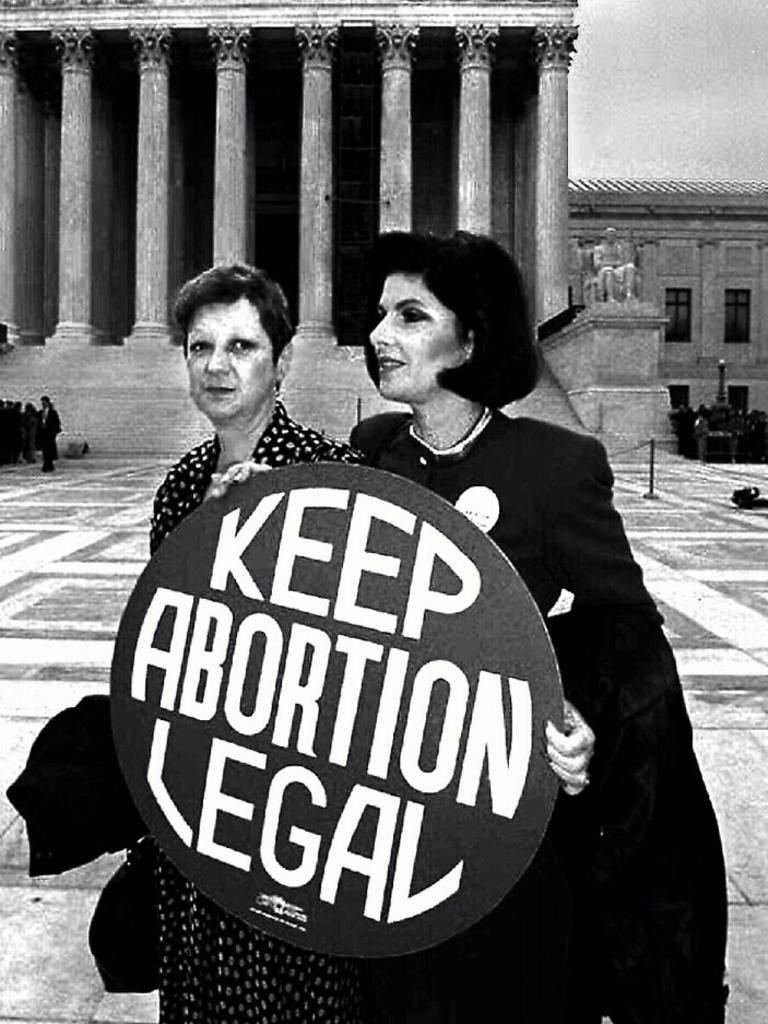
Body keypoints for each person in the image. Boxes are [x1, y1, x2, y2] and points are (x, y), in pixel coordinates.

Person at [351, 231, 727, 1024]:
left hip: (507, 829)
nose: (379, 335)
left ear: (473, 337)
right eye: (381, 313)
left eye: (411, 316)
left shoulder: (555, 465)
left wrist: (585, 711)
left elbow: (626, 623)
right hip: (392, 825)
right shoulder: (372, 453)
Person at [149, 263, 367, 1023]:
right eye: (200, 346)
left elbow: (367, 666)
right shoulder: (180, 488)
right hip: (204, 811)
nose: (216, 366)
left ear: (282, 359)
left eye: (241, 345)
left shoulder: (335, 473)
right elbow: (168, 658)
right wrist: (201, 544)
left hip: (296, 822)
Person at [37, 395, 61, 472]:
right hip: (43, 434)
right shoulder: (40, 412)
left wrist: (54, 432)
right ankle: (47, 464)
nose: (43, 404)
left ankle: (48, 464)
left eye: (44, 402)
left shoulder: (53, 413)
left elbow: (56, 423)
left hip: (50, 434)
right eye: (42, 403)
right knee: (44, 450)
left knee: (49, 449)